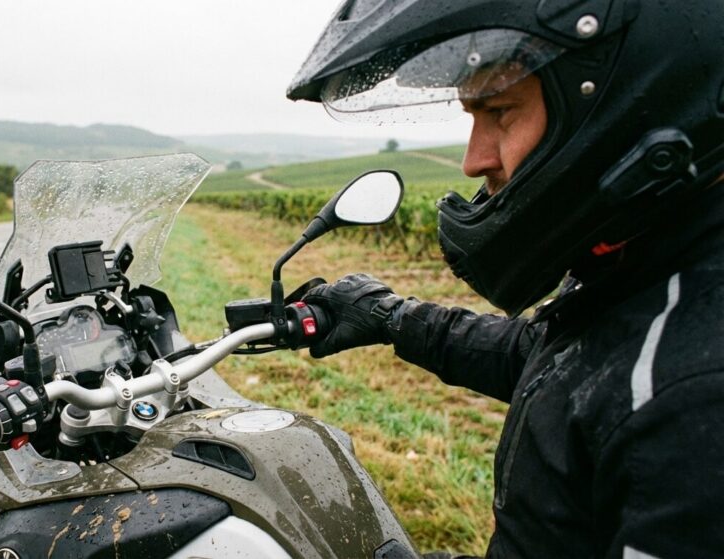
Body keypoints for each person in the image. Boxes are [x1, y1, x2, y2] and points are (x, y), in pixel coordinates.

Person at [286, 1, 724, 557]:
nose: (473, 160)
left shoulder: (694, 401)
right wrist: (392, 316)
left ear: (628, 101)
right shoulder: (652, 263)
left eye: (500, 111)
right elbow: (566, 361)